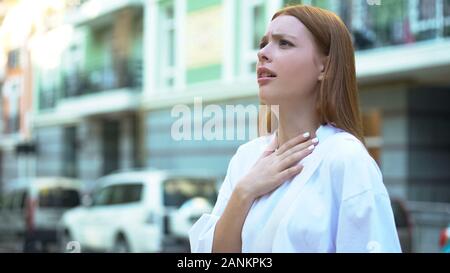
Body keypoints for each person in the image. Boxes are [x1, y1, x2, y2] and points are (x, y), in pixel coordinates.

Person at [189, 4, 401, 253]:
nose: (263, 54)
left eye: (284, 43)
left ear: (325, 66)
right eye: (263, 43)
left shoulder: (345, 159)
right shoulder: (246, 159)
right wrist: (244, 193)